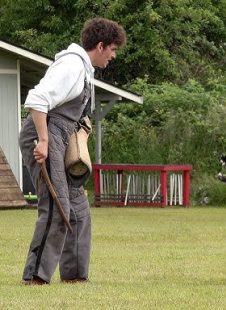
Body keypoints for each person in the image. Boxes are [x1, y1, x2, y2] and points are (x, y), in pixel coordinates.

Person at [19, 18, 126, 285]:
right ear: (100, 46)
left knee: (78, 208)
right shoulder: (71, 65)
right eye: (112, 49)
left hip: (60, 136)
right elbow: (37, 99)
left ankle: (75, 276)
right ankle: (35, 276)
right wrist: (43, 141)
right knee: (57, 206)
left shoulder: (84, 69)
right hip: (44, 134)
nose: (113, 55)